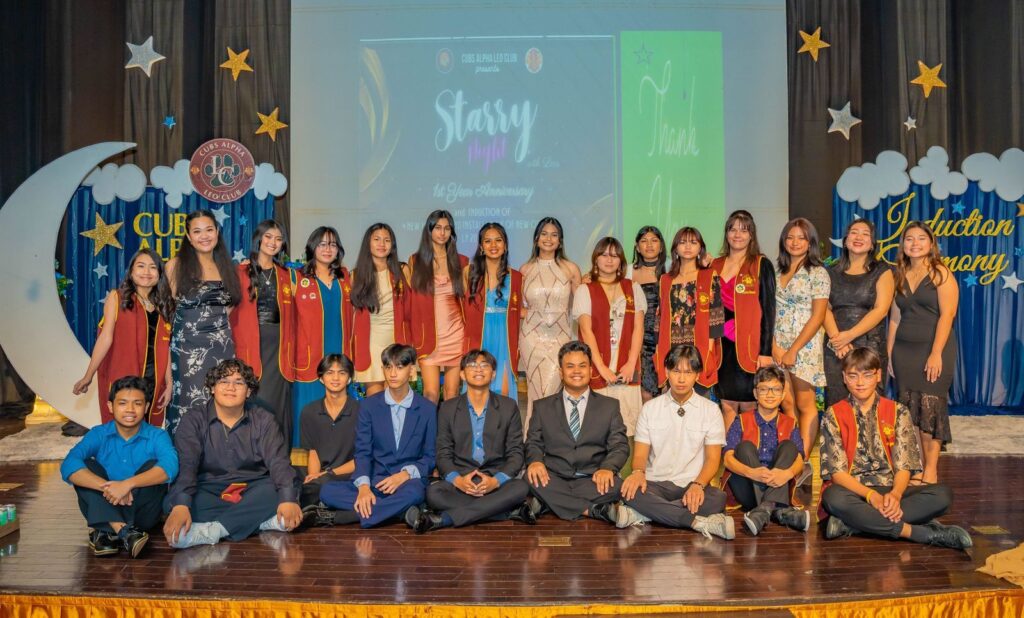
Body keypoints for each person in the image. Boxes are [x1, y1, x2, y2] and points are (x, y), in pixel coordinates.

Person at [820, 347, 971, 550]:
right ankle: (918, 533)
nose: (860, 382)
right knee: (833, 497)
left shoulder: (898, 411)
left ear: (878, 375)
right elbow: (837, 474)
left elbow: (904, 465)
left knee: (942, 495)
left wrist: (896, 495)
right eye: (853, 376)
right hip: (855, 491)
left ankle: (853, 524)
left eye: (867, 375)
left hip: (891, 489)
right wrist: (871, 496)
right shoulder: (834, 414)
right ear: (844, 378)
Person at [163, 359, 301, 549]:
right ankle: (262, 522)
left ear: (248, 391)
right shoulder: (193, 419)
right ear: (212, 388)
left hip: (253, 487)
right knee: (175, 502)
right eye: (224, 381)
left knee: (282, 492)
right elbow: (187, 465)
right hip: (209, 488)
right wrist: (181, 506)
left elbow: (278, 462)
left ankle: (214, 531)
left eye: (239, 382)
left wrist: (287, 499)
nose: (231, 387)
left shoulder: (264, 419)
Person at [616, 345, 734, 540]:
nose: (681, 379)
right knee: (630, 490)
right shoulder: (650, 408)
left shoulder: (711, 410)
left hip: (692, 485)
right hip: (655, 484)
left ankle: (645, 514)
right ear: (666, 371)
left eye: (688, 372)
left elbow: (713, 459)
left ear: (697, 375)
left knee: (718, 498)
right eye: (676, 371)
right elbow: (640, 454)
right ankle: (698, 522)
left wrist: (698, 485)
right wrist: (637, 473)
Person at [318, 344, 436, 528]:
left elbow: (430, 457)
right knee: (327, 491)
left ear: (412, 370)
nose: (393, 373)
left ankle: (347, 516)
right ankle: (401, 512)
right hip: (375, 481)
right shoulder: (369, 406)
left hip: (406, 483)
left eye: (399, 367)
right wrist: (364, 488)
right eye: (388, 367)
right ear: (382, 369)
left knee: (415, 493)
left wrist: (404, 475)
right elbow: (363, 452)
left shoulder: (427, 409)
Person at [62, 376, 178, 558]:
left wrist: (127, 485)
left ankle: (104, 530)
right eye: (122, 403)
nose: (130, 409)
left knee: (153, 465)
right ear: (110, 406)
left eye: (137, 403)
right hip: (106, 500)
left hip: (142, 513)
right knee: (85, 465)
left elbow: (170, 467)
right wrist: (108, 488)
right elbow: (69, 463)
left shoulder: (157, 435)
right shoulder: (98, 433)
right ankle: (124, 531)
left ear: (146, 407)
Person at [418, 349, 533, 532]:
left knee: (520, 487)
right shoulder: (447, 408)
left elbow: (516, 453)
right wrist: (458, 481)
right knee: (434, 493)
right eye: (472, 365)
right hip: (462, 479)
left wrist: (495, 482)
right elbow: (443, 453)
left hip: (495, 480)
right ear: (462, 374)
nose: (478, 369)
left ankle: (446, 519)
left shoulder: (508, 406)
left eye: (484, 365)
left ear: (493, 374)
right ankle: (504, 511)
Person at [524, 341, 629, 524]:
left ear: (590, 370)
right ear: (561, 372)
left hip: (593, 480)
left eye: (582, 366)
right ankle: (593, 510)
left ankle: (549, 504)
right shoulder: (542, 407)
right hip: (553, 478)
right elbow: (533, 442)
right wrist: (535, 461)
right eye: (570, 366)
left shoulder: (609, 406)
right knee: (529, 478)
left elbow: (619, 446)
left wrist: (607, 468)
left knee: (619, 486)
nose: (577, 371)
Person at [889, 222, 958, 484]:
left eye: (921, 238)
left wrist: (936, 353)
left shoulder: (941, 273)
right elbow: (894, 318)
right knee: (911, 412)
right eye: (909, 239)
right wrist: (889, 354)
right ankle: (917, 466)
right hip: (903, 351)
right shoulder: (899, 274)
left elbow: (948, 315)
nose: (915, 243)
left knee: (930, 408)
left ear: (931, 244)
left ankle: (931, 470)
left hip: (933, 349)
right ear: (903, 244)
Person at [73, 248, 173, 426]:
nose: (146, 272)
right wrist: (88, 376)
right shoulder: (118, 298)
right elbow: (105, 338)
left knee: (149, 431)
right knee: (123, 427)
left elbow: (165, 348)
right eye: (141, 266)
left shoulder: (163, 306)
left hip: (154, 380)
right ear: (131, 271)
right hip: (125, 376)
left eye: (152, 267)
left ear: (159, 274)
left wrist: (169, 383)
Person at [163, 210, 242, 434]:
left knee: (221, 403)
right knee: (188, 406)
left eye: (209, 230)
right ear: (189, 237)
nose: (204, 236)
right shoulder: (175, 266)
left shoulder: (227, 266)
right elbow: (167, 314)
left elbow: (229, 305)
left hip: (221, 348)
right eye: (197, 232)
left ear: (217, 232)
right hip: (187, 351)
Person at [573, 237, 646, 446]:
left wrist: (631, 363)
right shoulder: (585, 290)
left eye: (614, 255)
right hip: (598, 363)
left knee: (629, 426)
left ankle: (627, 466)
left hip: (626, 364)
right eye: (604, 254)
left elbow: (638, 328)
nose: (609, 259)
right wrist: (602, 367)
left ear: (621, 261)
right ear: (595, 259)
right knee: (597, 428)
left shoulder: (633, 288)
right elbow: (586, 331)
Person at [772, 217, 829, 481]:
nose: (795, 242)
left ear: (810, 242)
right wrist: (774, 346)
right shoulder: (777, 272)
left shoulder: (818, 273)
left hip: (803, 347)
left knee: (806, 404)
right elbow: (769, 311)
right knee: (787, 404)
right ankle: (789, 455)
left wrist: (793, 349)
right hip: (778, 347)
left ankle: (801, 463)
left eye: (801, 238)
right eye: (790, 237)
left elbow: (818, 316)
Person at [722, 366, 809, 535]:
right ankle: (780, 510)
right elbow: (727, 458)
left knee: (789, 447)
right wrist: (752, 472)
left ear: (783, 394)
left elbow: (800, 459)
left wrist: (787, 473)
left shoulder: (790, 423)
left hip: (778, 480)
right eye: (764, 389)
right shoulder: (741, 420)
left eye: (776, 389)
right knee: (745, 447)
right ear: (755, 393)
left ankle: (765, 509)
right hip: (747, 483)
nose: (770, 394)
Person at [230, 220, 296, 444]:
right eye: (268, 237)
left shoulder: (287, 275)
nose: (273, 243)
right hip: (251, 344)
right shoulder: (239, 272)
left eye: (278, 239)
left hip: (279, 349)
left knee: (278, 403)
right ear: (258, 239)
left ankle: (279, 455)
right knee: (254, 400)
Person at [710, 210, 776, 434]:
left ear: (751, 235)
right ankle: (729, 453)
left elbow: (768, 311)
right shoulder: (714, 265)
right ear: (726, 233)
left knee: (749, 404)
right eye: (733, 229)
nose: (737, 234)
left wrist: (765, 351)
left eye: (744, 230)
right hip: (722, 345)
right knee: (727, 404)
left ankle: (749, 451)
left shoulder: (760, 264)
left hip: (750, 345)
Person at [291, 226, 352, 448]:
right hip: (309, 357)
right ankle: (303, 461)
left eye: (332, 244)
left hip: (339, 354)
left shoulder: (345, 277)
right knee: (308, 413)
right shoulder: (296, 277)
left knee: (339, 412)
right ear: (312, 247)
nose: (328, 249)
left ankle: (338, 458)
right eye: (322, 244)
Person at [519, 217, 582, 430]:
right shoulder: (525, 270)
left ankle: (550, 443)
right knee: (536, 393)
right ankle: (532, 444)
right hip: (531, 339)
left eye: (554, 235)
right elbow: (516, 307)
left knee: (552, 391)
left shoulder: (570, 269)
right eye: (544, 234)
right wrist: (535, 314)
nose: (549, 238)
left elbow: (581, 307)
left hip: (560, 339)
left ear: (560, 241)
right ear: (536, 238)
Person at [823, 219, 894, 407]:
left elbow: (881, 310)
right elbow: (823, 308)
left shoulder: (882, 271)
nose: (858, 237)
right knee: (837, 403)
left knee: (869, 404)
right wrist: (837, 339)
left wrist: (849, 335)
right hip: (836, 347)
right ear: (846, 240)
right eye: (854, 232)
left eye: (865, 234)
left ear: (872, 244)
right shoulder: (829, 271)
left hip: (869, 345)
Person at [406, 210, 468, 403]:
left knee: (452, 393)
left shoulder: (462, 261)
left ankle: (449, 425)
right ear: (429, 230)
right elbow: (411, 302)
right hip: (428, 336)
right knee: (430, 393)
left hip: (455, 333)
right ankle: (430, 425)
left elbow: (467, 299)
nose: (442, 233)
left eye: (447, 228)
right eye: (438, 228)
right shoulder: (415, 261)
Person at [655, 227, 723, 398]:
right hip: (670, 350)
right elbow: (659, 318)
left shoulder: (709, 275)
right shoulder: (665, 279)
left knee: (699, 403)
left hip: (699, 349)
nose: (687, 246)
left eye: (693, 242)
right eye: (683, 242)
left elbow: (715, 317)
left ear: (700, 248)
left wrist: (706, 354)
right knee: (670, 405)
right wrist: (658, 351)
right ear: (675, 248)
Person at [350, 223, 410, 397]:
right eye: (376, 239)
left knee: (396, 394)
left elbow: (411, 307)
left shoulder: (403, 270)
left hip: (397, 338)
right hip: (370, 341)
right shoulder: (356, 275)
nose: (382, 244)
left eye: (387, 240)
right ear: (368, 243)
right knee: (375, 397)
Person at [463, 223, 522, 399]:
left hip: (505, 337)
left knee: (503, 393)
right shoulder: (469, 272)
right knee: (476, 391)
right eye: (488, 241)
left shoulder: (517, 277)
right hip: (479, 336)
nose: (493, 245)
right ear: (481, 246)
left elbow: (522, 308)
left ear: (506, 245)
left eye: (498, 240)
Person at [298, 354, 359, 518]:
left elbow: (363, 458)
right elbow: (313, 451)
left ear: (349, 378)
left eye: (342, 373)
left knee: (324, 488)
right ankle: (321, 506)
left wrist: (328, 474)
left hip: (350, 475)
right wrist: (314, 477)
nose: (336, 378)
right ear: (321, 378)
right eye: (330, 372)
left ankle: (321, 508)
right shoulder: (309, 412)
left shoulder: (361, 412)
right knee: (291, 482)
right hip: (323, 477)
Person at [629, 226, 667, 402]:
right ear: (637, 247)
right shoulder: (627, 272)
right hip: (640, 339)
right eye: (644, 241)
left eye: (654, 240)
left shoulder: (673, 269)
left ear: (661, 245)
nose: (649, 245)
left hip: (665, 338)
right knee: (645, 393)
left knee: (668, 390)